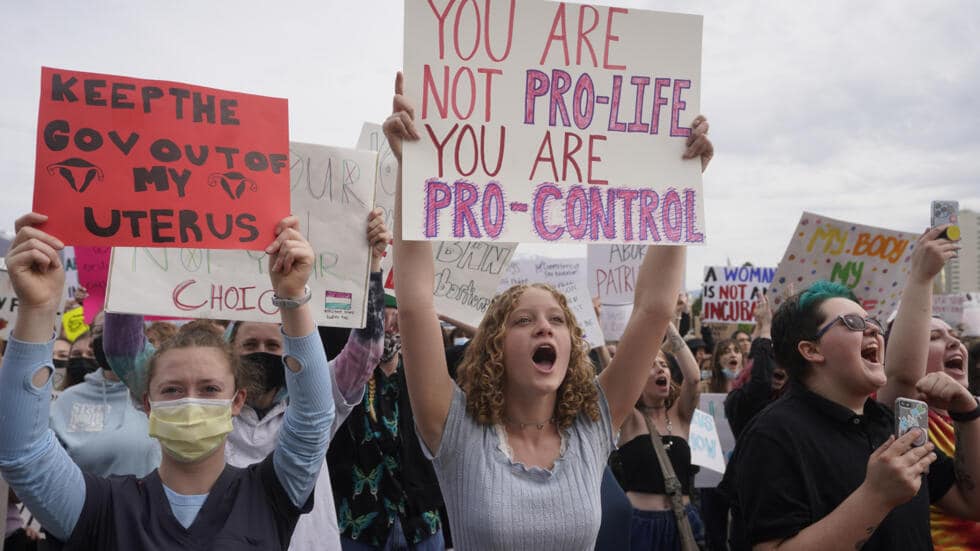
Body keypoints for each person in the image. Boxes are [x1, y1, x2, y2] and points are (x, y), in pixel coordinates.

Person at [384, 72, 712, 549]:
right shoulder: (454, 429)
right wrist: (412, 172)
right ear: (494, 346)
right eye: (524, 320)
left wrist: (683, 185)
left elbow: (655, 309)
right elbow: (416, 302)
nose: (545, 326)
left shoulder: (593, 425)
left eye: (557, 320)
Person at [0, 212, 334, 550]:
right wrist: (38, 308)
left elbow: (312, 418)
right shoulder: (103, 507)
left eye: (209, 388)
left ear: (236, 400)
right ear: (148, 403)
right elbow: (23, 454)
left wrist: (293, 298)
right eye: (172, 389)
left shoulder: (270, 494)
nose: (190, 400)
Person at [102, 208, 390, 551]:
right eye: (250, 344)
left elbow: (367, 351)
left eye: (273, 345)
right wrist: (127, 252)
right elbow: (124, 352)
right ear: (230, 356)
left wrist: (370, 267)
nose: (262, 352)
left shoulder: (315, 397)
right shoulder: (203, 402)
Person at [723, 279, 980, 550]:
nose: (873, 331)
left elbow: (970, 502)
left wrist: (967, 414)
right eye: (853, 323)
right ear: (811, 350)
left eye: (873, 323)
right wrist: (876, 496)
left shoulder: (891, 423)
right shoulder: (772, 435)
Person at [877, 225, 980, 550]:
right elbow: (904, 378)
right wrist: (922, 277)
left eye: (955, 337)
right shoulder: (908, 421)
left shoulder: (974, 411)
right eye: (933, 337)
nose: (953, 343)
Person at [327, 294, 447, 551]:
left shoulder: (424, 378)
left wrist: (449, 312)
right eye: (383, 316)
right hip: (358, 526)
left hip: (420, 524)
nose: (391, 325)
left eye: (399, 316)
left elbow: (482, 349)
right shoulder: (346, 379)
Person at [610, 322, 704, 549]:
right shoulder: (630, 419)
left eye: (663, 364)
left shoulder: (681, 416)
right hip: (641, 526)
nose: (660, 369)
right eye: (651, 366)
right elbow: (615, 380)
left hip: (683, 523)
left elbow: (693, 379)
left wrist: (669, 329)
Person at [724, 294, 787, 438]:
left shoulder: (789, 399)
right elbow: (761, 382)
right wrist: (765, 326)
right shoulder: (739, 400)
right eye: (772, 360)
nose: (777, 368)